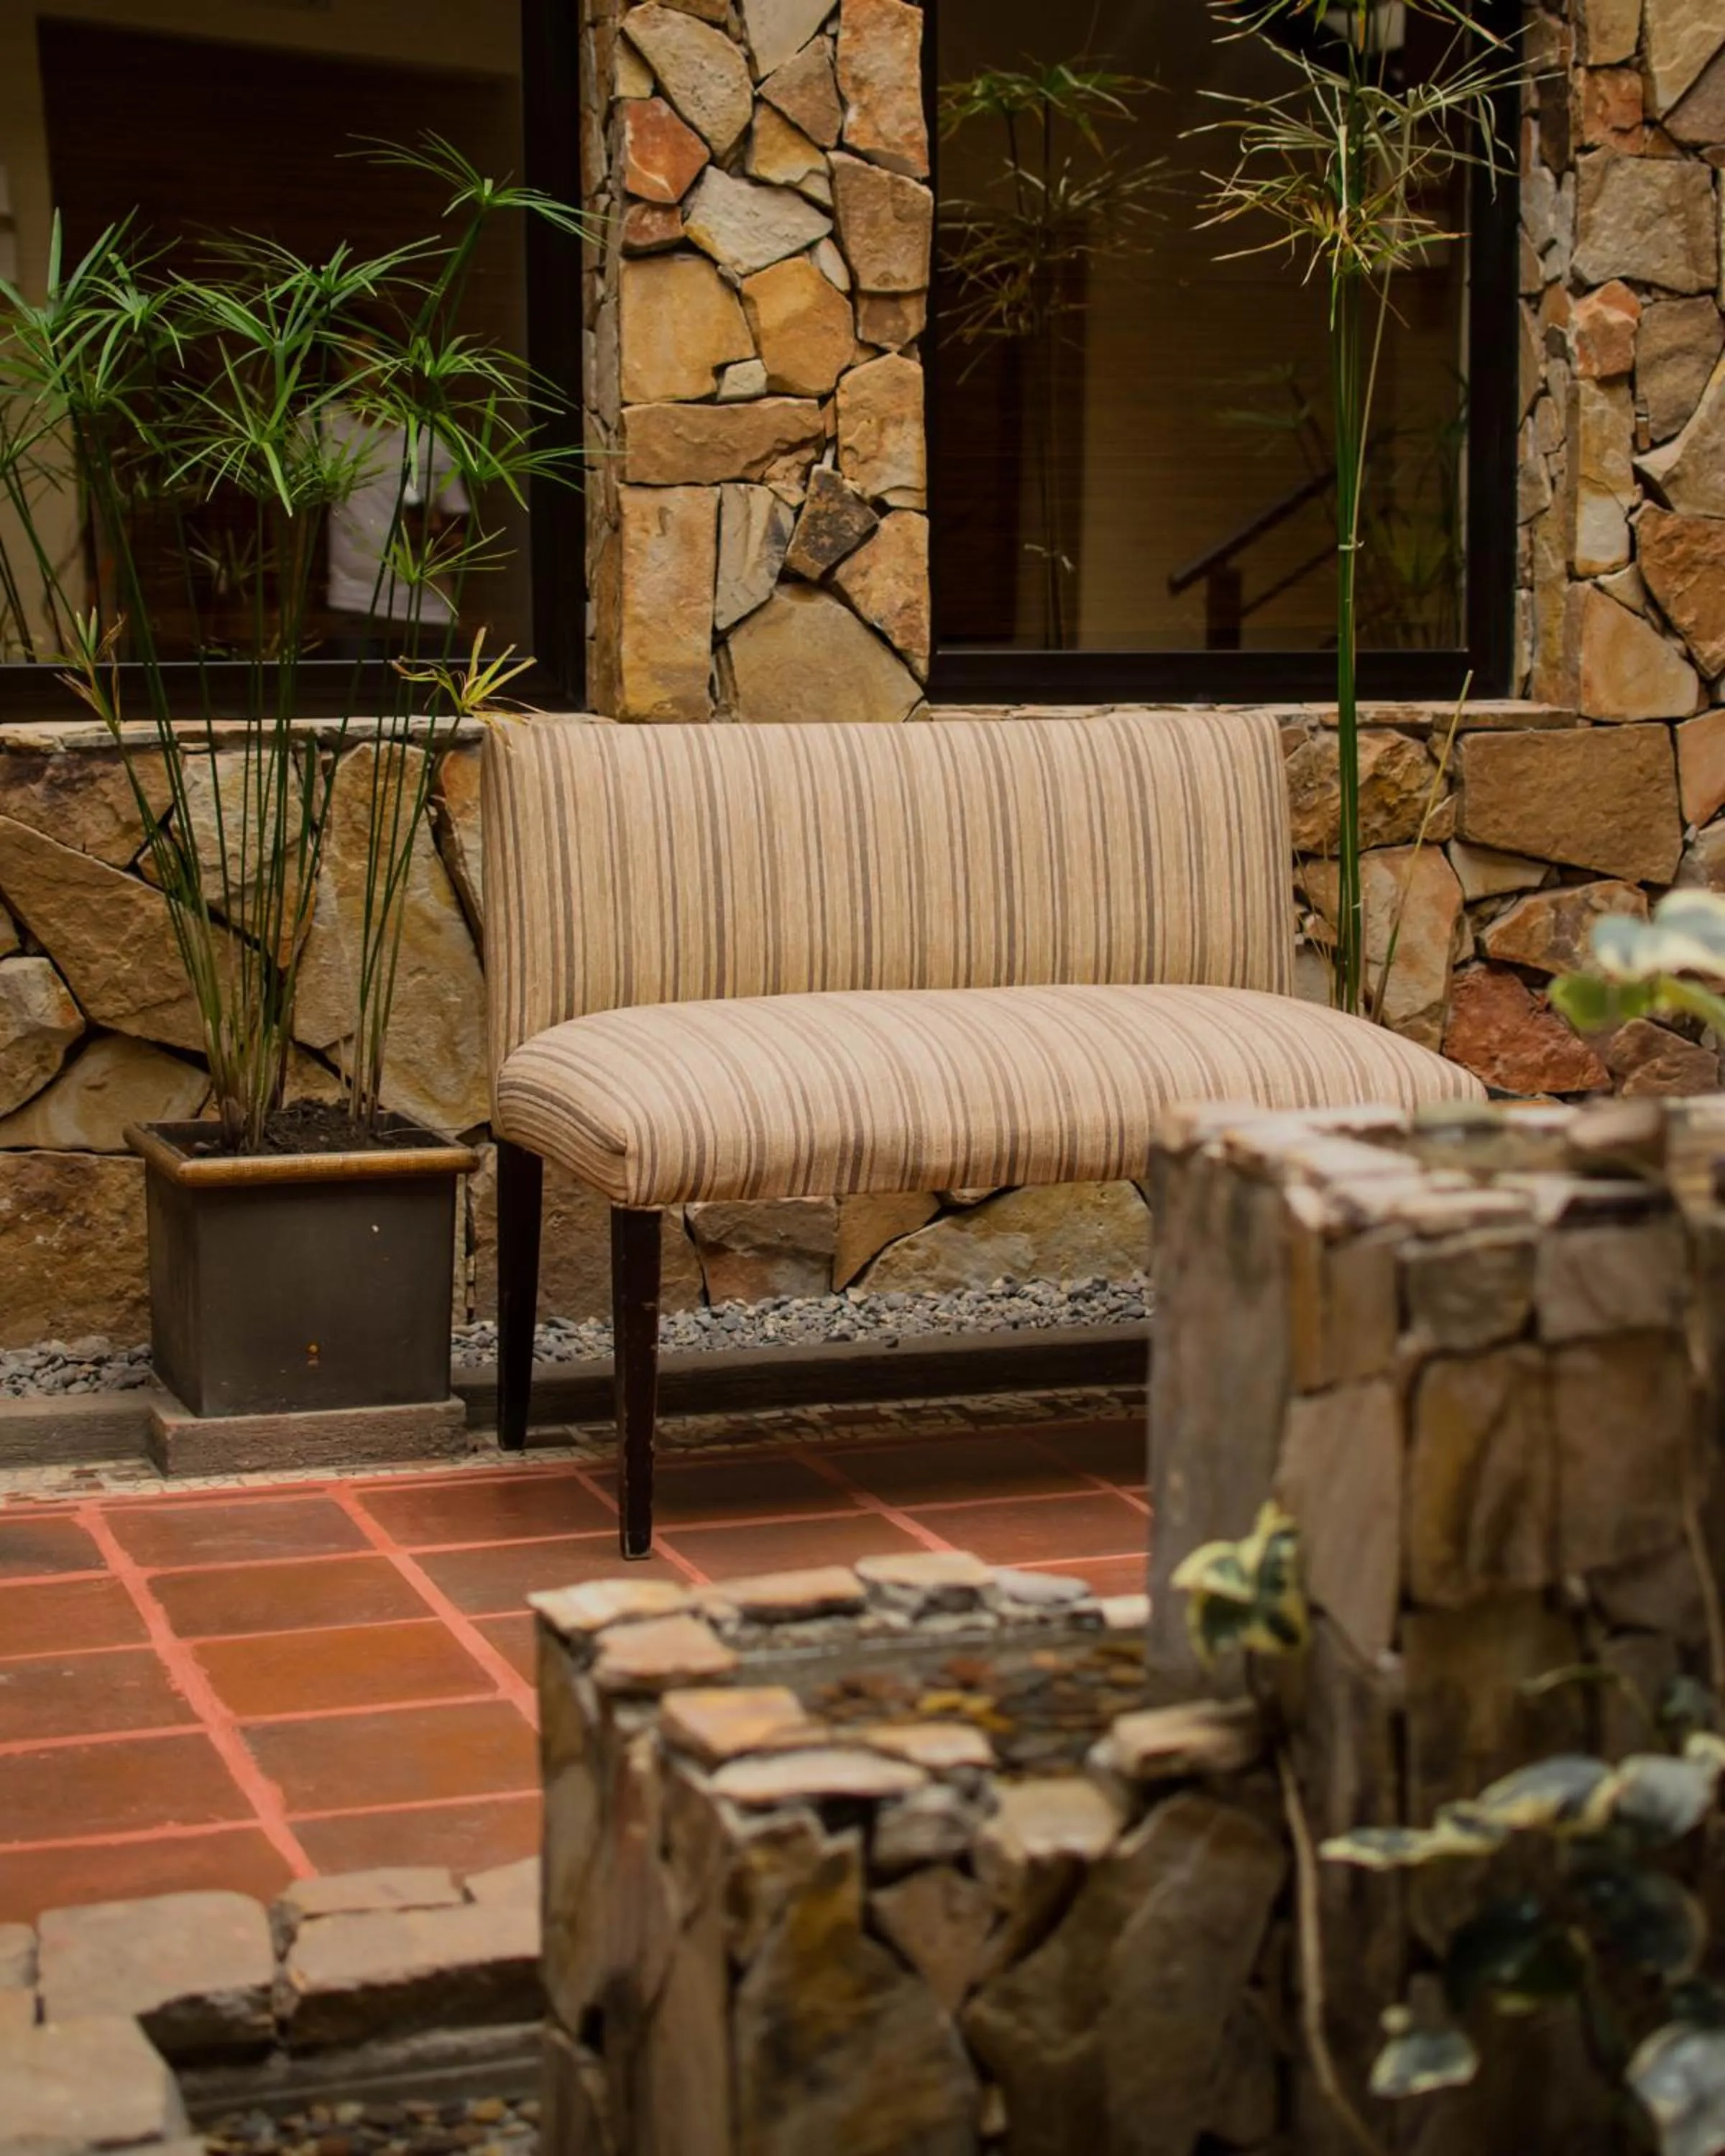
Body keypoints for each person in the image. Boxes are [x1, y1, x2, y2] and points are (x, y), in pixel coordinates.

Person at [320, 401, 470, 660]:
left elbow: (458, 536)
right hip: (352, 603)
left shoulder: (427, 437)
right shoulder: (323, 422)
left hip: (426, 609)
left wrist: (429, 534)